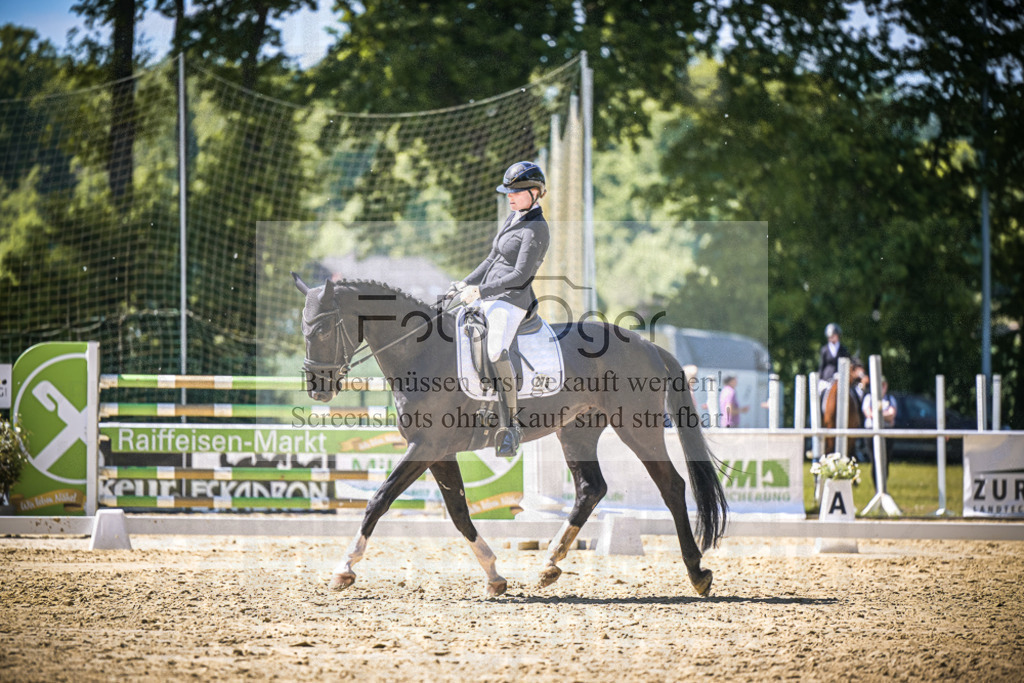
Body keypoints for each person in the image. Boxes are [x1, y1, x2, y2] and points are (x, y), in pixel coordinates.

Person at [448, 161, 550, 456]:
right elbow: (492, 259)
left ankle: (511, 426)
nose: (510, 196)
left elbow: (520, 276)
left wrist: (480, 290)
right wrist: (463, 283)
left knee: (495, 351)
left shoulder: (536, 229)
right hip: (490, 295)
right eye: (508, 191)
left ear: (535, 192)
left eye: (516, 191)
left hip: (512, 301)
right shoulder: (514, 218)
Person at [862, 376, 897, 489]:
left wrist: (877, 414)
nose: (881, 388)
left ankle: (883, 488)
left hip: (887, 432)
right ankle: (877, 489)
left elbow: (892, 415)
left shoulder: (890, 399)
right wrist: (884, 415)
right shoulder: (868, 398)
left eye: (883, 385)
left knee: (885, 462)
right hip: (871, 432)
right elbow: (868, 414)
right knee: (875, 461)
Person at [817, 322, 850, 399]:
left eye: (833, 336)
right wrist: (820, 379)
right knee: (820, 394)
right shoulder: (824, 350)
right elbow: (822, 365)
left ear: (838, 336)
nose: (831, 338)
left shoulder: (843, 350)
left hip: (840, 377)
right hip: (827, 378)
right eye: (830, 337)